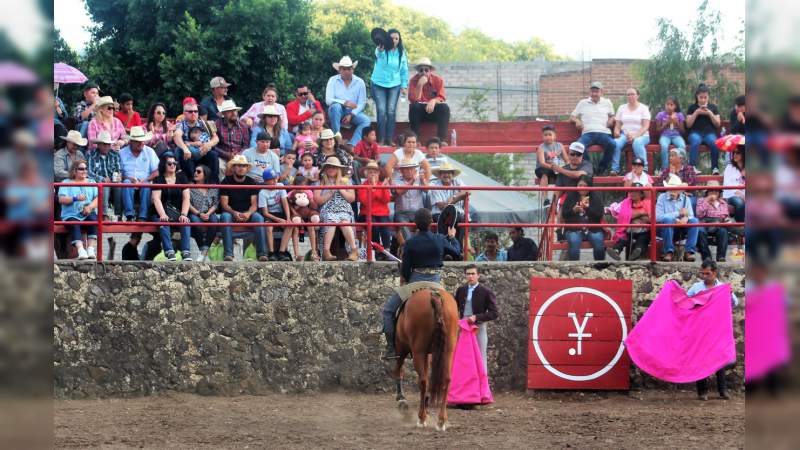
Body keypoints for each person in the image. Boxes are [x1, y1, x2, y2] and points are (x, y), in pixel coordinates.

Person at [381, 207, 460, 359]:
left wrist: (408, 277)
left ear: (415, 224)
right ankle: (454, 340)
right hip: (436, 282)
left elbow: (405, 270)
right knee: (453, 309)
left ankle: (391, 348)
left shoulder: (410, 243)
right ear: (431, 222)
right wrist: (452, 237)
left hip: (415, 282)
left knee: (388, 311)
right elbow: (457, 253)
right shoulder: (439, 239)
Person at [686, 259, 738, 401]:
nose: (704, 276)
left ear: (714, 273)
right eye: (702, 273)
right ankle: (702, 392)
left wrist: (729, 294)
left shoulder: (722, 288)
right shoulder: (696, 287)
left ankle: (723, 390)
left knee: (719, 358)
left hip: (716, 330)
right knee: (700, 359)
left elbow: (734, 303)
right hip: (700, 329)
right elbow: (686, 302)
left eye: (707, 273)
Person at [219, 155, 268, 262]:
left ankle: (262, 254)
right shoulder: (225, 182)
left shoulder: (251, 182)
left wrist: (248, 213)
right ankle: (228, 254)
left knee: (259, 218)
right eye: (239, 165)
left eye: (244, 166)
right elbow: (224, 204)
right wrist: (234, 213)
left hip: (248, 213)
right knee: (225, 217)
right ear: (233, 168)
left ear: (247, 168)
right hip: (231, 213)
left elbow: (254, 204)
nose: (241, 168)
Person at [455, 264, 499, 372]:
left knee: (480, 356)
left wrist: (477, 317)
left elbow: (494, 313)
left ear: (478, 275)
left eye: (473, 274)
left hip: (479, 327)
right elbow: (455, 307)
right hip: (463, 327)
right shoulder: (461, 290)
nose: (470, 276)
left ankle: (482, 382)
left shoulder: (486, 291)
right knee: (463, 356)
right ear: (465, 275)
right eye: (468, 274)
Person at [314, 157, 359, 261]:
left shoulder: (346, 181)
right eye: (329, 167)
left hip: (344, 209)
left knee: (345, 222)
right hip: (328, 209)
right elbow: (318, 200)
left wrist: (340, 189)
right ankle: (326, 252)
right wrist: (331, 192)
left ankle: (353, 251)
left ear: (338, 169)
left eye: (334, 167)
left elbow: (352, 198)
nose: (331, 169)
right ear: (325, 169)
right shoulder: (320, 182)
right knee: (331, 221)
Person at [150, 153, 192, 261]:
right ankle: (169, 251)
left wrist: (183, 214)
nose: (172, 165)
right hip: (159, 213)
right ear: (164, 164)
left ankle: (186, 252)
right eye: (169, 163)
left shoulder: (182, 177)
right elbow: (156, 198)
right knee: (164, 221)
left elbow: (186, 198)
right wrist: (162, 214)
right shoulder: (158, 179)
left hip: (177, 212)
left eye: (174, 163)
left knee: (186, 221)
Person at [371, 28, 408, 145]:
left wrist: (404, 86)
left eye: (397, 38)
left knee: (391, 111)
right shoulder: (381, 49)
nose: (394, 40)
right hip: (379, 83)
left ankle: (390, 139)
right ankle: (381, 139)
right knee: (381, 110)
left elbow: (404, 70)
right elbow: (378, 54)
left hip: (394, 84)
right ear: (387, 38)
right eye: (392, 38)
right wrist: (380, 49)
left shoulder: (401, 52)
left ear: (399, 40)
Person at [570, 81, 616, 174]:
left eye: (596, 91)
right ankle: (589, 167)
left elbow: (613, 116)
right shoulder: (583, 103)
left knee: (612, 144)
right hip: (588, 133)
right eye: (592, 91)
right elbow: (572, 116)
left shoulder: (607, 102)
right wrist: (577, 121)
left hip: (603, 133)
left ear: (601, 92)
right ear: (589, 92)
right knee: (579, 146)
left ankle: (602, 168)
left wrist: (611, 119)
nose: (594, 94)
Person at [57, 161, 99, 259]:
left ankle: (91, 249)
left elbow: (98, 198)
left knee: (94, 219)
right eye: (81, 169)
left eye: (86, 168)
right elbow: (61, 199)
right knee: (74, 223)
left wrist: (90, 207)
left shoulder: (92, 182)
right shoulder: (66, 182)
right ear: (74, 171)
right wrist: (75, 198)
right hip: (71, 214)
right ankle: (81, 250)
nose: (84, 171)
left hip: (88, 212)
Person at [174, 97, 221, 183]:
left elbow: (216, 138)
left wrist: (209, 144)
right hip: (189, 154)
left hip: (203, 151)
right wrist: (185, 149)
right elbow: (177, 135)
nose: (193, 113)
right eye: (190, 111)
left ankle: (214, 184)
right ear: (184, 113)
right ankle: (191, 183)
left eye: (195, 111)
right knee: (182, 152)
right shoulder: (181, 124)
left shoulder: (204, 123)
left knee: (214, 155)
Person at [326, 56, 370, 145]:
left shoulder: (360, 82)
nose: (347, 71)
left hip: (352, 112)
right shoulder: (332, 80)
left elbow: (362, 103)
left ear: (353, 69)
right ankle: (337, 139)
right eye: (344, 69)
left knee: (366, 120)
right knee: (336, 107)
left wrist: (351, 114)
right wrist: (344, 102)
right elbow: (328, 100)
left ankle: (352, 144)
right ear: (339, 70)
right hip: (336, 111)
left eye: (349, 69)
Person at [656, 174, 700, 262]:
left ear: (679, 190)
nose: (672, 190)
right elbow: (658, 217)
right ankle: (668, 251)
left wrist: (686, 219)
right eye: (671, 188)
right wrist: (677, 215)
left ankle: (689, 251)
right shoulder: (661, 198)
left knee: (694, 221)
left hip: (680, 228)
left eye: (675, 188)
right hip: (665, 228)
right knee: (668, 220)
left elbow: (691, 215)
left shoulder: (686, 199)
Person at [120, 126, 160, 221]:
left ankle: (143, 216)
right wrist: (128, 178)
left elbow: (156, 172)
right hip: (128, 181)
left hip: (145, 180)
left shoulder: (150, 151)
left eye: (143, 141)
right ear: (131, 142)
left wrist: (145, 180)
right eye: (138, 141)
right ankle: (129, 215)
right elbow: (119, 173)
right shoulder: (122, 152)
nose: (142, 143)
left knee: (146, 185)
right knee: (126, 183)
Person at [562, 176, 606, 261]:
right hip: (574, 229)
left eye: (585, 186)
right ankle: (575, 266)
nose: (582, 188)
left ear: (589, 187)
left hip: (592, 229)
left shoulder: (595, 197)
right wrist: (573, 210)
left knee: (599, 243)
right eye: (580, 185)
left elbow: (599, 215)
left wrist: (588, 208)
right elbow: (564, 214)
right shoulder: (570, 196)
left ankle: (599, 266)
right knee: (574, 242)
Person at [407, 58, 450, 142]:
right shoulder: (413, 80)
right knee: (414, 107)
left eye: (426, 70)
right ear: (418, 72)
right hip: (419, 113)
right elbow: (413, 100)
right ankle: (415, 140)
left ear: (430, 71)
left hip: (433, 111)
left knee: (444, 107)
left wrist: (433, 101)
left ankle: (441, 140)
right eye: (421, 70)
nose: (424, 72)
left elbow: (441, 97)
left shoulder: (438, 80)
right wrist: (419, 85)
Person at [607, 183, 651, 261]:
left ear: (641, 194)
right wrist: (641, 213)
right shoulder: (625, 203)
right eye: (631, 191)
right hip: (628, 231)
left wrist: (633, 214)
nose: (633, 193)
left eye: (636, 192)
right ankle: (616, 251)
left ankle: (636, 253)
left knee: (642, 240)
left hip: (643, 231)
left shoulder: (647, 203)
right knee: (623, 239)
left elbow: (650, 219)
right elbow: (625, 216)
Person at [611, 88, 651, 175]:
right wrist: (616, 132)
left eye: (632, 94)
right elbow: (618, 125)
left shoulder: (643, 108)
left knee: (637, 142)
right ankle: (615, 169)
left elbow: (645, 126)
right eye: (628, 94)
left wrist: (635, 136)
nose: (630, 96)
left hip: (642, 135)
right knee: (615, 143)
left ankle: (643, 168)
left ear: (638, 96)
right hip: (625, 135)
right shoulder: (622, 108)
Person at [258, 168, 293, 261]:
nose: (275, 181)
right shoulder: (262, 193)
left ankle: (282, 252)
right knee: (269, 227)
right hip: (269, 214)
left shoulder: (280, 186)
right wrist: (278, 220)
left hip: (280, 213)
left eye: (275, 178)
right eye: (272, 179)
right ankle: (271, 253)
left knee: (290, 225)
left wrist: (288, 218)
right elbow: (265, 212)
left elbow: (285, 203)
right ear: (266, 181)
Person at [686, 83, 722, 174]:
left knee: (714, 143)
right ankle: (692, 168)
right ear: (697, 96)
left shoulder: (713, 107)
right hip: (695, 133)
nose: (703, 100)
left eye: (705, 97)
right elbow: (688, 125)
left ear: (708, 97)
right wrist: (696, 113)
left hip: (709, 133)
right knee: (695, 141)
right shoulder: (692, 107)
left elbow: (718, 124)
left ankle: (715, 168)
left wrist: (710, 113)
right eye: (701, 97)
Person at [357, 160, 392, 253]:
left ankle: (387, 249)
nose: (373, 174)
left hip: (382, 213)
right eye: (370, 172)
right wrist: (374, 189)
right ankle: (377, 249)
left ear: (379, 174)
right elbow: (365, 201)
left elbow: (386, 200)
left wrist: (380, 188)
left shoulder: (382, 185)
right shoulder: (363, 186)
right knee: (374, 226)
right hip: (367, 213)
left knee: (385, 225)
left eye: (375, 172)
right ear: (366, 174)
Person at [87, 130, 122, 219]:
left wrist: (116, 177)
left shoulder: (115, 154)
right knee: (104, 185)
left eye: (108, 144)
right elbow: (89, 172)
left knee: (119, 185)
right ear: (98, 145)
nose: (107, 146)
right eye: (104, 144)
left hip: (113, 180)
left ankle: (119, 214)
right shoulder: (91, 154)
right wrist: (102, 178)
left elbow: (118, 169)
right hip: (97, 182)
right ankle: (104, 214)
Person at [429, 162, 467, 244]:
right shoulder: (434, 185)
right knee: (457, 219)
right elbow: (441, 206)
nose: (446, 175)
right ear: (440, 175)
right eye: (444, 173)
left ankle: (457, 247)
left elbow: (467, 192)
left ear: (452, 174)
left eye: (449, 172)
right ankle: (448, 246)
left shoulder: (458, 182)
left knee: (462, 219)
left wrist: (453, 197)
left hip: (457, 215)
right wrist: (458, 197)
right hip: (440, 214)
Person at [188, 164, 219, 263]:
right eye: (195, 171)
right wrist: (199, 214)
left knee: (214, 220)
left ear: (205, 174)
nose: (195, 173)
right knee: (194, 221)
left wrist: (208, 213)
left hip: (209, 213)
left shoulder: (213, 187)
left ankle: (204, 250)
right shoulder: (190, 186)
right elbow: (187, 203)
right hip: (195, 213)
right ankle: (202, 249)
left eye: (198, 171)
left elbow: (216, 203)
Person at [696, 181, 731, 262]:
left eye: (716, 191)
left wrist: (720, 219)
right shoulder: (701, 200)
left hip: (718, 224)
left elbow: (725, 215)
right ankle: (707, 257)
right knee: (700, 231)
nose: (714, 193)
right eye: (711, 191)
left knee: (723, 231)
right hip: (705, 223)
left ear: (719, 192)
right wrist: (707, 202)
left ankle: (721, 257)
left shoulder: (723, 202)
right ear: (707, 192)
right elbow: (699, 214)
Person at [392, 159, 426, 242]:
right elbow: (399, 192)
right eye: (407, 169)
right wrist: (412, 181)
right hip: (402, 213)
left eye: (411, 168)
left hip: (418, 213)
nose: (409, 171)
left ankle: (419, 245)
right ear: (401, 171)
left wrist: (423, 180)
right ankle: (410, 245)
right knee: (404, 228)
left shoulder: (420, 179)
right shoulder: (396, 180)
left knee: (425, 225)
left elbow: (427, 190)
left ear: (415, 170)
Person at [535, 125, 568, 206]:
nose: (548, 137)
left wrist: (567, 169)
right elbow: (542, 163)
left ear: (555, 136)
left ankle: (556, 199)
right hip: (543, 168)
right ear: (542, 136)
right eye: (545, 135)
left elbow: (567, 160)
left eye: (550, 134)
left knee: (563, 176)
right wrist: (554, 168)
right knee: (544, 174)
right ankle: (545, 199)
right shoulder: (541, 147)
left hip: (556, 168)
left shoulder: (559, 146)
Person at [214, 100, 250, 172]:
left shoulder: (243, 126)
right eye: (230, 111)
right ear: (223, 113)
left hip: (239, 157)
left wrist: (239, 154)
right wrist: (227, 154)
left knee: (244, 167)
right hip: (222, 157)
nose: (234, 113)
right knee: (220, 166)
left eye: (235, 111)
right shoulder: (216, 124)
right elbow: (214, 146)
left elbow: (246, 145)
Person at [655, 96, 687, 171]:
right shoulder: (660, 114)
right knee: (664, 146)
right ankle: (665, 169)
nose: (669, 106)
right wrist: (666, 123)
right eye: (667, 104)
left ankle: (680, 168)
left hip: (676, 136)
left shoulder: (679, 115)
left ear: (675, 106)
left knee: (682, 146)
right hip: (665, 136)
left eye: (671, 105)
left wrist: (677, 123)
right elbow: (658, 130)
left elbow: (683, 131)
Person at [722, 145, 745, 223]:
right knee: (740, 203)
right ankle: (741, 226)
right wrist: (737, 192)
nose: (734, 155)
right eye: (733, 152)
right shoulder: (730, 167)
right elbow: (726, 184)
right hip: (731, 195)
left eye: (737, 152)